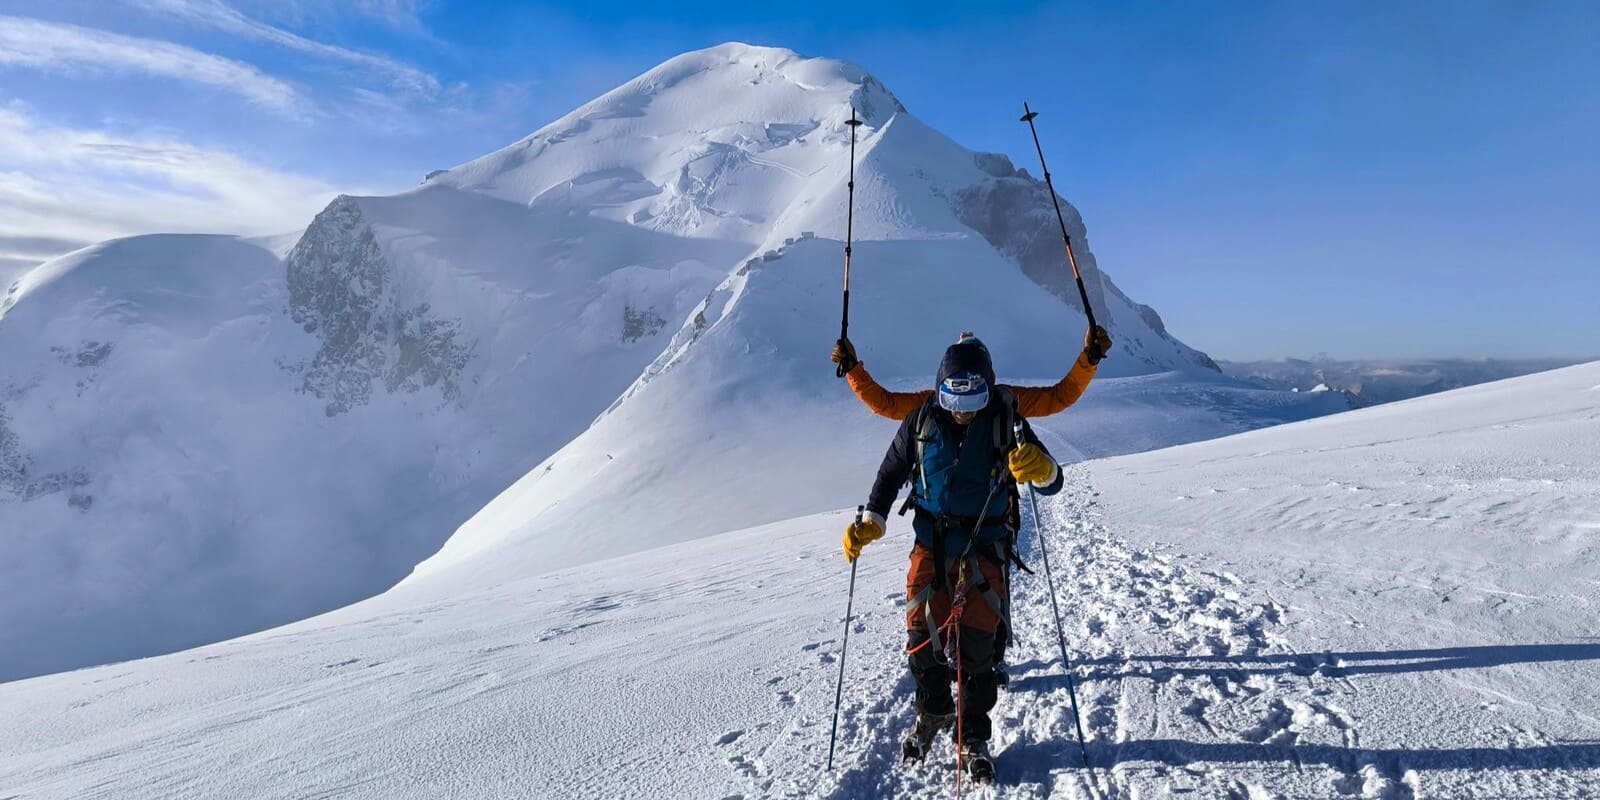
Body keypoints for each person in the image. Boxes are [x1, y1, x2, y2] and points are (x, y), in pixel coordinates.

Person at [841, 335, 1067, 783]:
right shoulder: (921, 420)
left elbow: (1053, 481)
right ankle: (936, 711)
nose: (963, 407)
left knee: (977, 647)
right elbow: (890, 474)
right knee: (920, 633)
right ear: (939, 389)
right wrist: (872, 518)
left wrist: (1043, 470)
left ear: (989, 389)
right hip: (932, 541)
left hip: (984, 543)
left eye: (974, 396)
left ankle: (972, 736)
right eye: (953, 396)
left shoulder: (1007, 421)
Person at [833, 327, 1111, 684]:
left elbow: (884, 403)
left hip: (989, 524)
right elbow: (1059, 397)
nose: (964, 397)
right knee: (978, 597)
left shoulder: (1003, 406)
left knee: (986, 602)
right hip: (944, 533)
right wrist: (853, 369)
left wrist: (854, 369)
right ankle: (975, 663)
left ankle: (985, 661)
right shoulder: (934, 409)